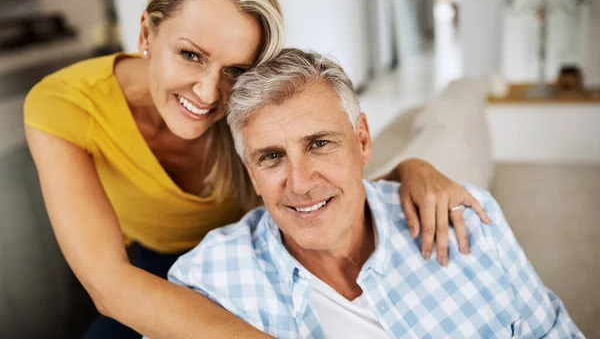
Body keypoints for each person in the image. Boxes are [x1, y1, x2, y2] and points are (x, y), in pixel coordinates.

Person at [24, 0, 488, 338]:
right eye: (190, 55)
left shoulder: (250, 106)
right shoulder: (64, 104)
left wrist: (412, 168)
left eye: (235, 69)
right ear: (146, 34)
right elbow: (110, 286)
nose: (208, 92)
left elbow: (321, 182)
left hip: (260, 254)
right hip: (155, 264)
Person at [169, 48, 583, 338]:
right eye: (272, 157)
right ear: (251, 174)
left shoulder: (471, 223)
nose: (299, 182)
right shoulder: (207, 282)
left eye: (319, 144)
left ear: (363, 141)